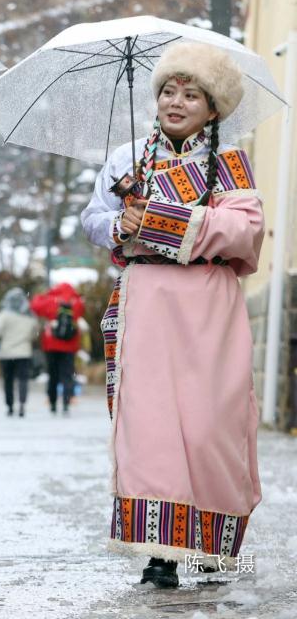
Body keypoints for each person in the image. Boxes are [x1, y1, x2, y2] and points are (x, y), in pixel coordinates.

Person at [80, 42, 264, 588]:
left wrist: (161, 218)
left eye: (190, 94)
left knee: (212, 425)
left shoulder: (230, 164)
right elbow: (94, 219)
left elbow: (245, 231)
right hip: (148, 300)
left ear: (213, 108)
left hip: (209, 301)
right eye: (167, 91)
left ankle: (210, 542)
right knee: (150, 422)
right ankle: (159, 552)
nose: (175, 102)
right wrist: (121, 226)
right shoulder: (127, 160)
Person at [30, 283, 84, 415]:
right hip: (69, 344)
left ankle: (53, 403)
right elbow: (80, 313)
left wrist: (43, 295)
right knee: (67, 374)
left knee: (52, 374)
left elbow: (34, 306)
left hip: (51, 344)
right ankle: (66, 403)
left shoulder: (51, 300)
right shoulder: (76, 301)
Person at [0, 287, 38, 417]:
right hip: (24, 353)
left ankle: (10, 405)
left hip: (7, 353)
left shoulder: (4, 315)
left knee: (8, 380)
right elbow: (34, 334)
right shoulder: (30, 316)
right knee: (23, 380)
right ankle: (22, 404)